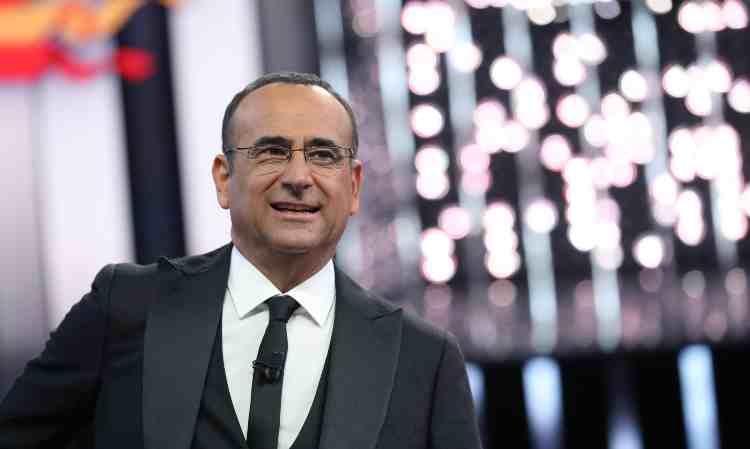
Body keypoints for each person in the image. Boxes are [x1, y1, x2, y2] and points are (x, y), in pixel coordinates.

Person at [0, 72, 481, 449]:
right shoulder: (123, 307)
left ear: (353, 186)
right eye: (272, 152)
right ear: (224, 178)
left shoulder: (425, 359)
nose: (299, 177)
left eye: (323, 155)